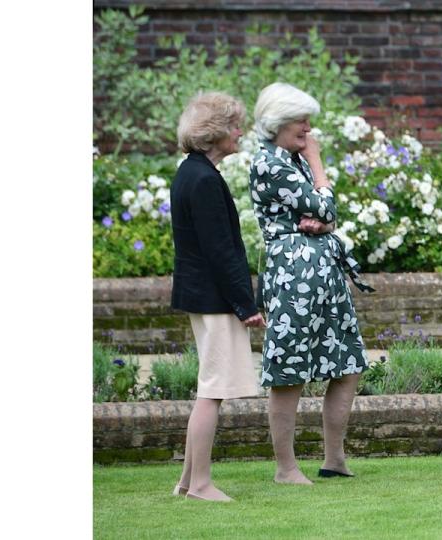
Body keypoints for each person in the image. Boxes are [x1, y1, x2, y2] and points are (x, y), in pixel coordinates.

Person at [250, 82, 373, 485]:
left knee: (347, 362)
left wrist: (325, 221)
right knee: (289, 370)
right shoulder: (271, 162)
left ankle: (334, 459)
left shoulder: (289, 157)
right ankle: (286, 469)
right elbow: (325, 204)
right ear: (278, 122)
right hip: (294, 278)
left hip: (323, 272)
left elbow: (327, 214)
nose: (308, 128)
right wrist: (318, 165)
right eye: (301, 120)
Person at [169, 91, 267, 502]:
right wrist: (246, 306)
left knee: (208, 387)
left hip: (203, 296)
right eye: (233, 126)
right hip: (214, 299)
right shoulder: (205, 179)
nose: (240, 132)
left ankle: (187, 481)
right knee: (212, 391)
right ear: (214, 133)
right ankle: (201, 484)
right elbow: (220, 250)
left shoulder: (189, 172)